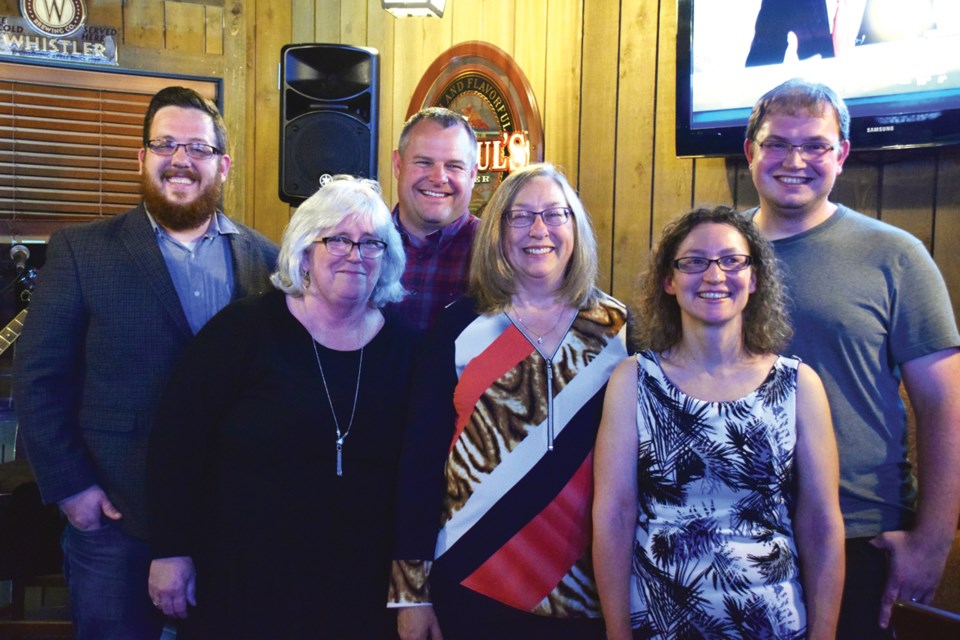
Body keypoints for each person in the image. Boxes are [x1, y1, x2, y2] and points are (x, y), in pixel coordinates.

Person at [12, 86, 278, 640]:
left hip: (226, 522)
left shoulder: (266, 259)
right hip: (115, 520)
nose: (180, 159)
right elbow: (38, 380)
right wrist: (72, 491)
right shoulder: (82, 251)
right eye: (164, 144)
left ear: (222, 165)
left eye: (198, 149)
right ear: (142, 159)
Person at [146, 176, 416, 639]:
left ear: (387, 260)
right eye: (338, 240)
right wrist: (170, 549)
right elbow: (177, 443)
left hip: (361, 587)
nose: (356, 254)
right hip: (245, 578)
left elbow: (420, 473)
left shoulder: (406, 349)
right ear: (305, 250)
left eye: (372, 243)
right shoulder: (243, 332)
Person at [743, 78, 960, 638]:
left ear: (841, 154)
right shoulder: (713, 252)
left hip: (858, 534)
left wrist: (933, 541)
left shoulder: (896, 257)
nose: (795, 160)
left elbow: (945, 408)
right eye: (776, 143)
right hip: (728, 528)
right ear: (751, 152)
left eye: (815, 145)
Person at [389, 163, 630, 640]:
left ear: (575, 227)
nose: (539, 229)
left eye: (555, 214)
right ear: (497, 230)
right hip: (473, 580)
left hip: (586, 589)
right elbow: (419, 464)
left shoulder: (620, 329)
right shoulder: (457, 328)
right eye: (520, 217)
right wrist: (411, 594)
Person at [593, 205, 844, 639]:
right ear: (669, 281)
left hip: (774, 623)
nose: (714, 275)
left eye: (732, 261)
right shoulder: (633, 379)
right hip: (660, 624)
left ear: (755, 278)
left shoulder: (800, 384)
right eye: (694, 262)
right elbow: (614, 516)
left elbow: (821, 523)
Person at [388, 107, 480, 331]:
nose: (439, 178)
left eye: (454, 166)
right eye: (424, 162)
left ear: (472, 174)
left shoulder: (498, 252)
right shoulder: (360, 245)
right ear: (398, 165)